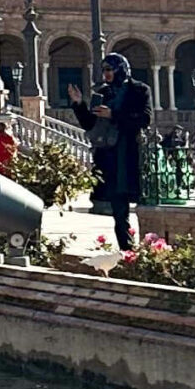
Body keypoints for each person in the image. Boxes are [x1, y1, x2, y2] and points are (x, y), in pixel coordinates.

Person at [75, 53, 154, 248]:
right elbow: (89, 123)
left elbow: (145, 119)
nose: (106, 74)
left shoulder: (139, 90)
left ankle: (148, 245)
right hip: (109, 155)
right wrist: (78, 104)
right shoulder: (102, 92)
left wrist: (114, 114)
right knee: (118, 208)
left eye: (109, 69)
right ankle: (127, 250)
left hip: (129, 152)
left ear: (120, 69)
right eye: (104, 70)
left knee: (140, 201)